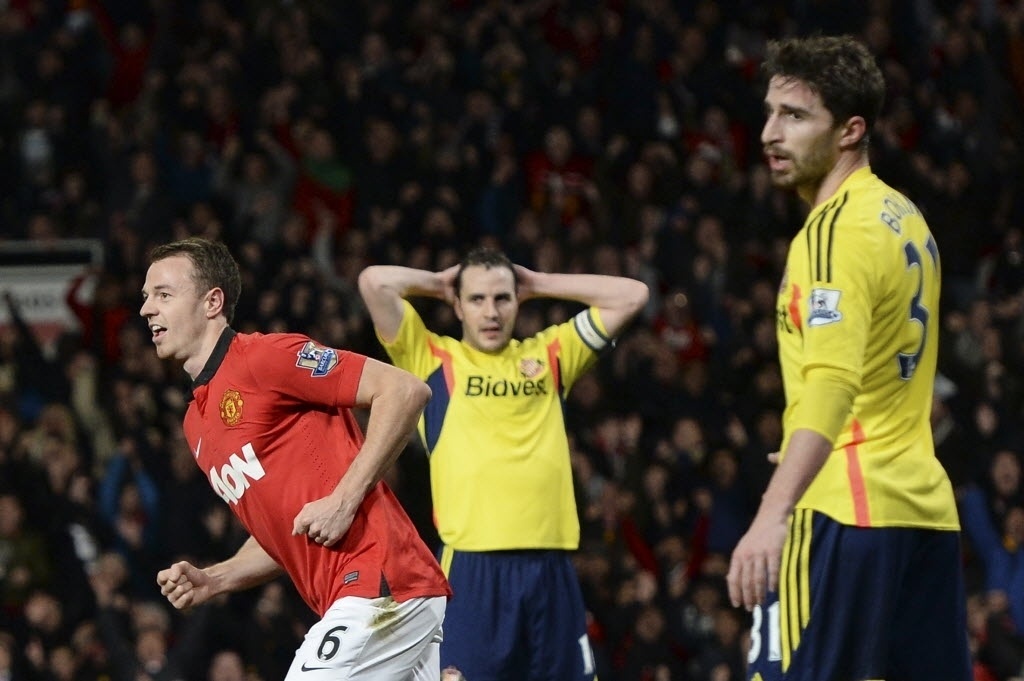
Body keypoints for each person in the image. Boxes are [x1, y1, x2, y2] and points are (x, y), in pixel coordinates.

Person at [725, 35, 972, 681]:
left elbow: (834, 381)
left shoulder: (833, 230)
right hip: (923, 506)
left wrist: (772, 514)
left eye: (795, 116)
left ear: (850, 130)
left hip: (847, 505)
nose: (770, 134)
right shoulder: (903, 216)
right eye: (770, 112)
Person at [139, 237, 451, 680]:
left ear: (212, 302)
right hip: (360, 597)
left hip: (380, 582)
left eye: (163, 295)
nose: (146, 309)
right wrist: (218, 578)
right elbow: (282, 530)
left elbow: (404, 390)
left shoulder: (266, 357)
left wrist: (344, 499)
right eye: (146, 297)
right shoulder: (195, 423)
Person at [358, 247, 648, 680]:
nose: (490, 312)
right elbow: (374, 282)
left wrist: (539, 283)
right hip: (474, 569)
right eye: (476, 299)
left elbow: (632, 294)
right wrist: (440, 283)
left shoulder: (550, 356)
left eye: (502, 298)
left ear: (518, 301)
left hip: (550, 566)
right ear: (457, 305)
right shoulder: (433, 360)